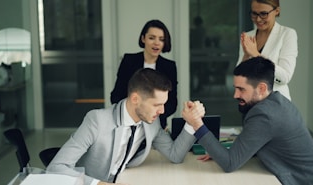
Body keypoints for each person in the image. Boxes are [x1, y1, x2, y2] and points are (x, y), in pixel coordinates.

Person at [47, 68, 203, 185]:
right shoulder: (97, 121)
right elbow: (56, 168)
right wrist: (100, 184)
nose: (162, 111)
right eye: (157, 104)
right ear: (135, 98)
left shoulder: (152, 122)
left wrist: (191, 123)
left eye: (164, 104)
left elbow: (175, 155)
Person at [184, 57, 313, 185]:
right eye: (235, 88)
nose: (235, 95)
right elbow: (252, 142)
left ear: (262, 88)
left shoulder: (265, 115)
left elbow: (229, 163)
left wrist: (197, 124)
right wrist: (220, 152)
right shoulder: (277, 101)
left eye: (241, 89)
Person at [110, 19, 177, 130]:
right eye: (152, 38)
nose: (156, 43)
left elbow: (172, 102)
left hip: (157, 123)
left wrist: (154, 116)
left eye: (161, 39)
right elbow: (116, 95)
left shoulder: (169, 66)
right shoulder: (129, 61)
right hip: (128, 123)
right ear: (143, 38)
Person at [236, 0, 298, 100]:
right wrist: (246, 55)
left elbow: (285, 77)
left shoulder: (287, 34)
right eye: (254, 14)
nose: (258, 19)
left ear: (277, 11)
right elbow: (239, 75)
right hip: (251, 103)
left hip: (276, 103)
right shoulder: (248, 36)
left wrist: (256, 54)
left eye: (264, 14)